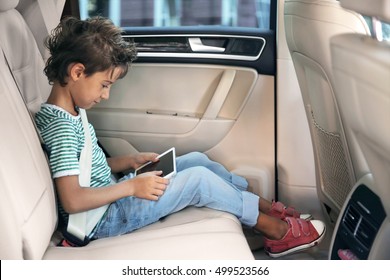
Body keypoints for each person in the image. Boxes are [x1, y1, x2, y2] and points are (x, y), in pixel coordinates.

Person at [35, 16, 326, 258]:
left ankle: (263, 206)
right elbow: (73, 200)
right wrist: (132, 187)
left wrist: (130, 161)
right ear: (77, 72)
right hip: (101, 219)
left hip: (110, 198)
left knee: (198, 160)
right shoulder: (61, 127)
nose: (105, 95)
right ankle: (276, 232)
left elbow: (87, 166)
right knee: (198, 180)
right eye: (104, 85)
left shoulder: (71, 109)